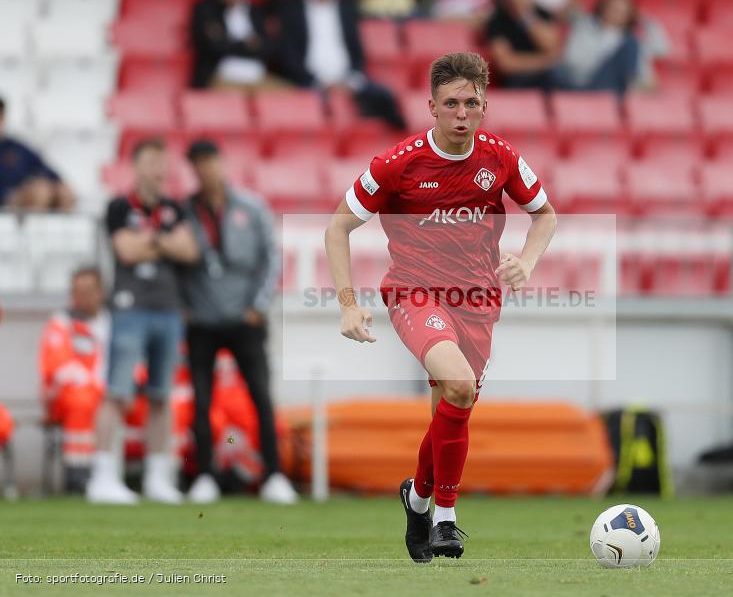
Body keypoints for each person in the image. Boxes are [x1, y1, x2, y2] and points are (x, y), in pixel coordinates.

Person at [324, 52, 557, 561]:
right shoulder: (397, 164)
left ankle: (418, 498)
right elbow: (338, 227)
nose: (461, 113)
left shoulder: (500, 157)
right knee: (460, 385)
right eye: (451, 103)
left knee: (454, 406)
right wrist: (348, 304)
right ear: (431, 107)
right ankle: (446, 519)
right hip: (415, 292)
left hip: (478, 301)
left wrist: (527, 261)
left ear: (485, 105)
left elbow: (545, 215)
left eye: (471, 102)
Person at [180, 140, 296, 504]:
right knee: (201, 399)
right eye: (197, 164)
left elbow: (271, 259)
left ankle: (274, 474)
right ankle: (204, 475)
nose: (204, 170)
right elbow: (175, 266)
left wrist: (257, 306)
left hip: (245, 319)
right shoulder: (185, 212)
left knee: (260, 395)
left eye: (208, 161)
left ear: (220, 162)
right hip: (202, 319)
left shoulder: (251, 206)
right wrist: (184, 306)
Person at [87, 138, 199, 505]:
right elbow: (127, 251)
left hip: (168, 309)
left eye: (162, 162)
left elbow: (190, 251)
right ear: (135, 166)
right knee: (118, 391)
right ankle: (103, 475)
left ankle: (157, 476)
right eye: (151, 161)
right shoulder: (120, 206)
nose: (158, 169)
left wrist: (151, 241)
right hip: (130, 307)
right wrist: (165, 242)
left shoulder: (174, 207)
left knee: (161, 395)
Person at [269, 0, 406, 129]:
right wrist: (323, 82)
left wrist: (350, 80)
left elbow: (356, 50)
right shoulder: (292, 9)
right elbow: (289, 56)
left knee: (384, 98)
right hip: (309, 81)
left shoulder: (346, 7)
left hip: (347, 78)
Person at [38, 267, 109, 493]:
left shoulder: (112, 321)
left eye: (89, 291)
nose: (83, 297)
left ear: (101, 292)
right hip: (66, 398)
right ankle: (78, 474)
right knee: (81, 400)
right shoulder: (61, 321)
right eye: (78, 291)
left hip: (108, 395)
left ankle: (138, 475)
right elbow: (57, 366)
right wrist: (96, 385)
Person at [190, 0, 285, 91]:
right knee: (232, 98)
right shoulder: (208, 9)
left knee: (288, 95)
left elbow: (269, 48)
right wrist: (247, 45)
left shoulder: (257, 11)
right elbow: (213, 47)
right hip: (222, 76)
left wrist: (230, 43)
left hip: (258, 77)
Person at [0, 97, 74, 211]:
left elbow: (44, 169)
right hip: (9, 200)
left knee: (63, 193)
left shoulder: (15, 147)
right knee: (40, 193)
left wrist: (54, 184)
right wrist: (10, 195)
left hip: (28, 195)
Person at [556, 0, 641, 95]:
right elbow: (562, 12)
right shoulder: (583, 22)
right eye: (613, 8)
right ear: (603, 7)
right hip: (569, 77)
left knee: (630, 45)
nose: (615, 13)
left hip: (601, 85)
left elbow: (637, 75)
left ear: (628, 16)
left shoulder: (628, 41)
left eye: (621, 12)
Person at [484, 0, 561, 90]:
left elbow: (550, 46)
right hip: (518, 79)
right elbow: (505, 64)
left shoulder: (541, 13)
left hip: (547, 76)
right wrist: (544, 62)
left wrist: (526, 18)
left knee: (561, 74)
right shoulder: (497, 21)